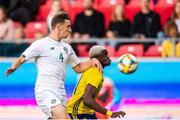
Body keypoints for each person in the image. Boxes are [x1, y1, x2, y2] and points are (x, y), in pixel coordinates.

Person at [5, 12, 102, 119]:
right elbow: (22, 58)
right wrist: (13, 67)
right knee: (65, 118)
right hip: (45, 90)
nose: (70, 30)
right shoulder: (41, 44)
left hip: (61, 92)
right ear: (59, 27)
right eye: (68, 26)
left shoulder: (67, 48)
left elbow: (78, 68)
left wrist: (92, 61)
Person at [66, 45, 126, 119]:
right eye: (105, 55)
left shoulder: (96, 71)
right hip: (78, 113)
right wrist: (110, 113)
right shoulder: (95, 73)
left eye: (107, 54)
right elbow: (87, 100)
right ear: (97, 59)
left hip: (87, 112)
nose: (108, 56)